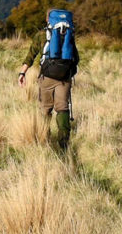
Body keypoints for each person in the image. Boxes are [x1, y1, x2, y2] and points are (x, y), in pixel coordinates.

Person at [18, 9, 79, 150]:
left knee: (45, 109)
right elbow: (76, 58)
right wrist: (69, 72)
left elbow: (30, 56)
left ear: (48, 20)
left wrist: (22, 74)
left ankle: (45, 139)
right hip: (65, 78)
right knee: (63, 107)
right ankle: (64, 143)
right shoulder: (69, 35)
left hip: (47, 77)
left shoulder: (41, 35)